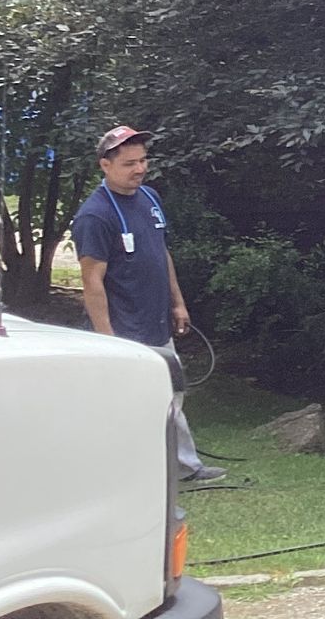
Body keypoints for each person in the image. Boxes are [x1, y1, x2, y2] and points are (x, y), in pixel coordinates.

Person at [71, 125, 223, 482]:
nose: (139, 169)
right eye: (128, 163)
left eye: (143, 161)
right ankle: (121, 473)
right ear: (105, 166)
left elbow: (160, 253)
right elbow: (91, 282)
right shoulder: (95, 216)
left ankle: (184, 467)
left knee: (172, 395)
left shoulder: (150, 199)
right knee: (129, 402)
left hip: (157, 322)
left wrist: (178, 303)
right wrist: (107, 339)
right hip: (125, 328)